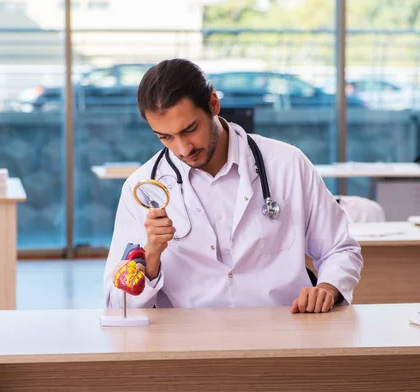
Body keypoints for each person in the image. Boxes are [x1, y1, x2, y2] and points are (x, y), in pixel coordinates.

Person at [103, 58, 363, 313]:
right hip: (189, 343)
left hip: (284, 332)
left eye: (190, 129)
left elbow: (339, 248)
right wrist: (151, 255)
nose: (183, 149)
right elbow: (117, 303)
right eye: (165, 137)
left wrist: (327, 288)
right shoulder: (142, 187)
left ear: (213, 104)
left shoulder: (287, 164)